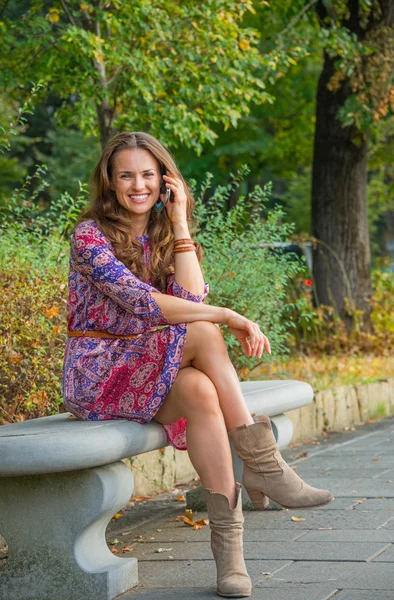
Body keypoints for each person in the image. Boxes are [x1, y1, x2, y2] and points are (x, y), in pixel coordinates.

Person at [62, 131, 334, 598]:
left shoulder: (164, 230)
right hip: (99, 370)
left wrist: (181, 222)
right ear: (108, 181)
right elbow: (145, 303)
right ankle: (265, 466)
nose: (138, 185)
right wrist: (227, 317)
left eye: (148, 174)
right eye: (126, 175)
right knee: (207, 330)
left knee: (203, 392)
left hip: (152, 365)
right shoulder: (90, 236)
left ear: (165, 181)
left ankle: (230, 560)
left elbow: (189, 298)